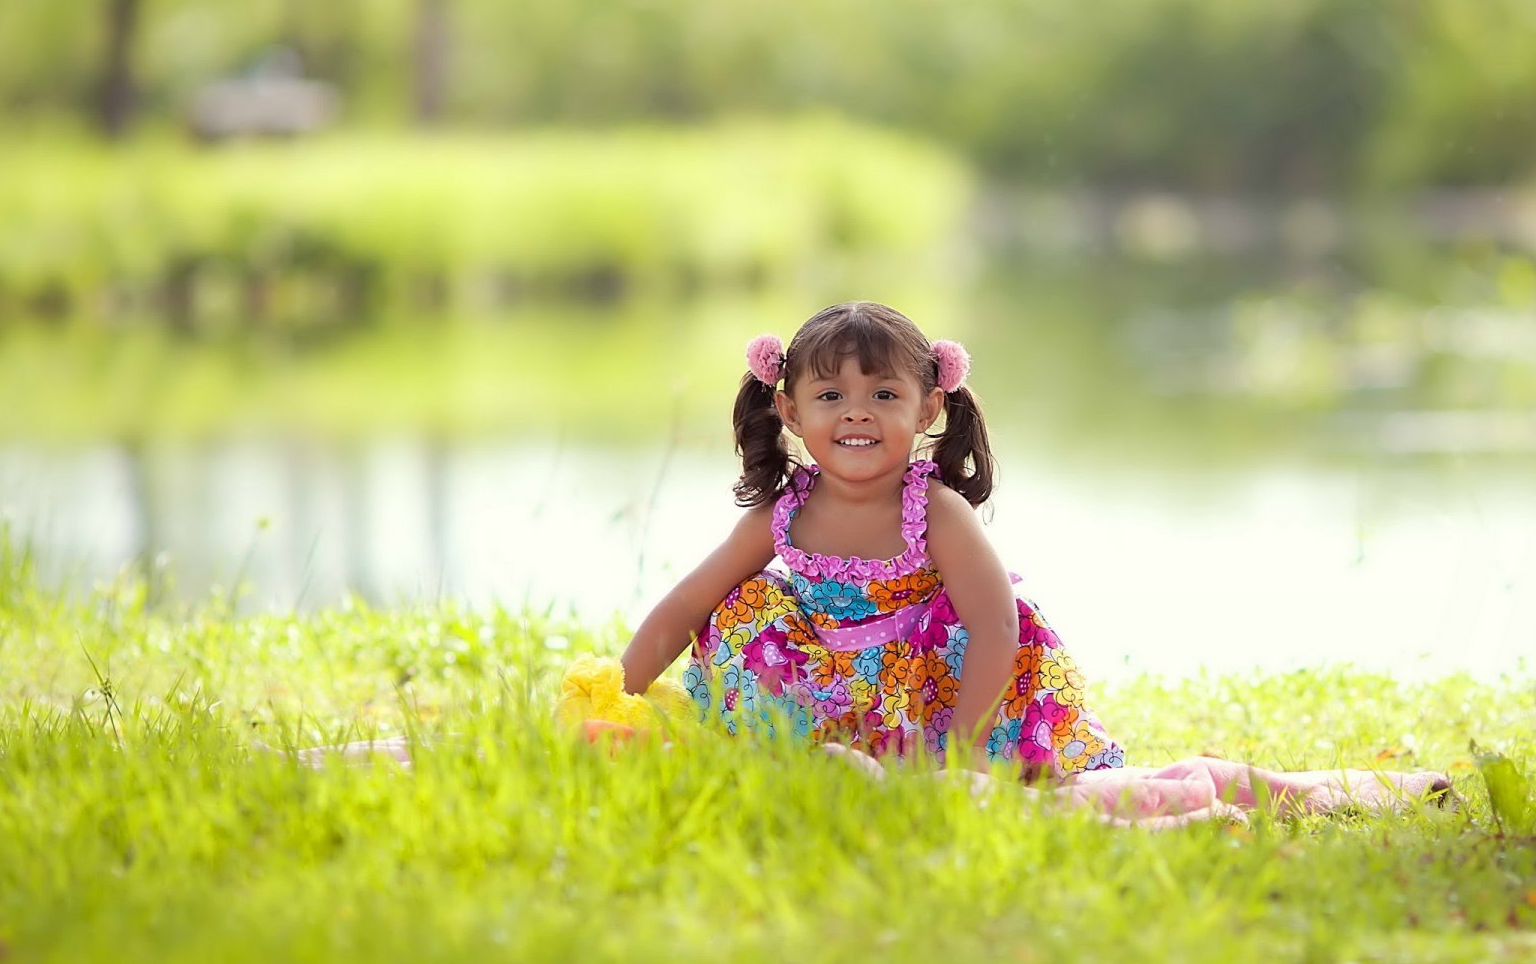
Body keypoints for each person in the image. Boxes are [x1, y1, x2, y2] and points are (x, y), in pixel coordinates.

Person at [618, 301, 1454, 824]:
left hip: (955, 693)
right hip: (851, 702)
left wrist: (964, 745)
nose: (858, 416)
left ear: (929, 408)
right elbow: (685, 604)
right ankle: (832, 762)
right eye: (831, 396)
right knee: (739, 604)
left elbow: (994, 624)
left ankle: (1299, 789)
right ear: (791, 410)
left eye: (884, 395)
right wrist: (617, 693)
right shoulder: (787, 510)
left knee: (1046, 798)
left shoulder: (931, 510)